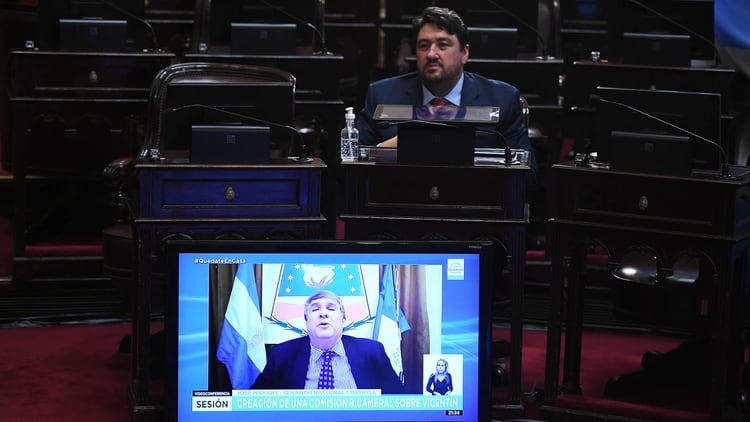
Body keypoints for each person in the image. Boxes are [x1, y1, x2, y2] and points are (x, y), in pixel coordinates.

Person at [355, 6, 537, 178]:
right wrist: (388, 148)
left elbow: (529, 174)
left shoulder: (502, 98)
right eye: (424, 46)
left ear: (464, 53)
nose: (432, 54)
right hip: (401, 199)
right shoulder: (381, 94)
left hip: (475, 200)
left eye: (443, 45)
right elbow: (347, 163)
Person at [251, 290, 404, 393]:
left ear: (343, 320)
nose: (323, 313)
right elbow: (256, 401)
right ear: (306, 321)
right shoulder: (282, 355)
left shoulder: (372, 352)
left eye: (331, 309)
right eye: (315, 309)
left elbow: (398, 399)